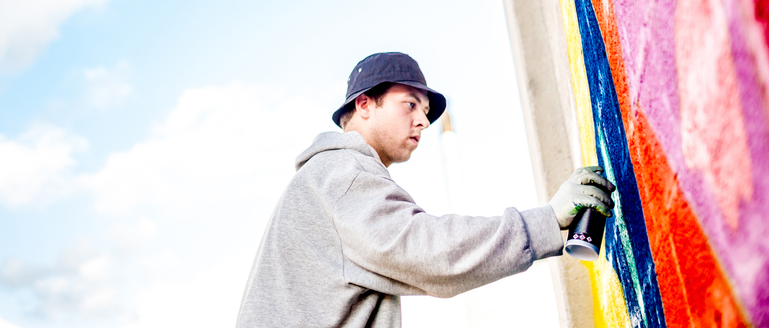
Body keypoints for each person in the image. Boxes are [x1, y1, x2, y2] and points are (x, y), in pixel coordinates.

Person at [235, 51, 614, 328]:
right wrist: (545, 222)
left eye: (427, 112)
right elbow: (430, 253)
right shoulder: (343, 173)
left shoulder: (327, 178)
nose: (423, 121)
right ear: (365, 104)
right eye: (411, 104)